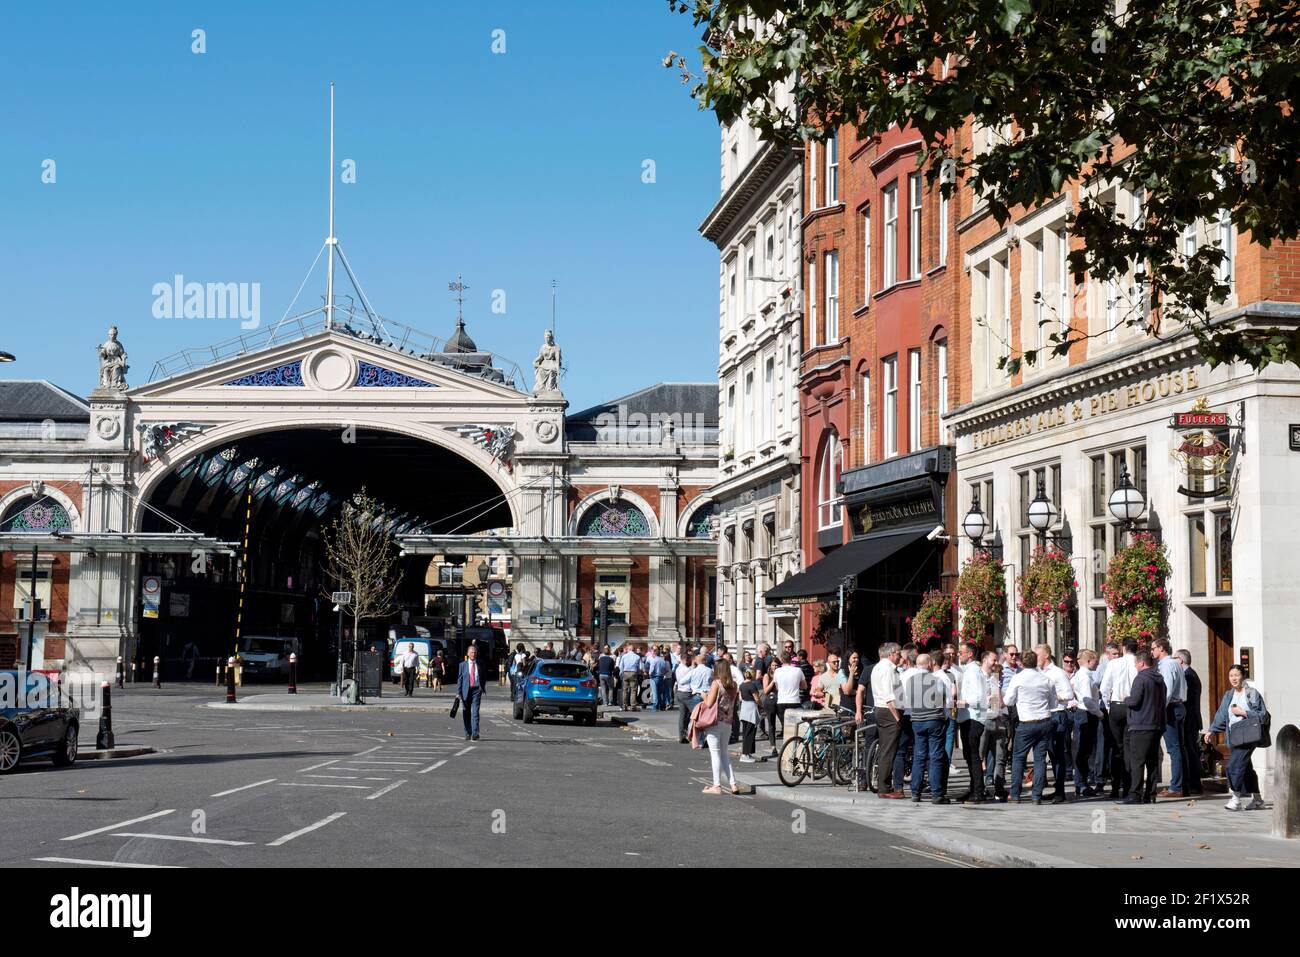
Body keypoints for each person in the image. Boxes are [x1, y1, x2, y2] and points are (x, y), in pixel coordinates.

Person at [1204, 664, 1268, 811]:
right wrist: (1211, 731)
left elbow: (1263, 716)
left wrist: (1244, 712)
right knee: (1246, 769)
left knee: (1233, 766)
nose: (1234, 678)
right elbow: (1221, 715)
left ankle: (1236, 799)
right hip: (1234, 737)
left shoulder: (1252, 693)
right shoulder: (1228, 695)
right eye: (1231, 675)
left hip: (1249, 737)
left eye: (1237, 675)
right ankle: (1258, 800)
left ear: (1243, 676)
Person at [900, 654, 952, 804]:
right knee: (935, 757)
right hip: (934, 720)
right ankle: (937, 794)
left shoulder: (909, 681)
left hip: (917, 721)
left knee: (919, 756)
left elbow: (904, 701)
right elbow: (947, 701)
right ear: (929, 664)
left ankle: (915, 792)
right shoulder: (937, 680)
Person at [1004, 654, 1056, 805]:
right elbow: (1053, 704)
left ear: (1022, 663)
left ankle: (1015, 794)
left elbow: (1008, 700)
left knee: (1019, 758)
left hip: (1026, 722)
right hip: (1044, 721)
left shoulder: (1018, 679)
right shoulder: (1045, 679)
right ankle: (1036, 795)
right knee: (1040, 760)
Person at [1120, 651, 1167, 804]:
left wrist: (1125, 698)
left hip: (1141, 725)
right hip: (1156, 724)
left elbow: (1134, 701)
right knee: (1152, 761)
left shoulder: (1140, 679)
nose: (1135, 666)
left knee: (1137, 761)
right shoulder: (1160, 679)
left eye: (1136, 663)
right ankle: (1150, 794)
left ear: (1141, 663)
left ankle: (1135, 794)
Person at [1100, 637, 1139, 800]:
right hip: (1133, 706)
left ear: (1123, 648)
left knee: (1117, 748)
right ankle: (1129, 787)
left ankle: (1116, 787)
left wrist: (1109, 707)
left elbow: (1104, 687)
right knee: (1130, 748)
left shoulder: (1114, 663)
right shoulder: (1139, 662)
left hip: (1116, 706)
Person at [695, 661, 741, 795]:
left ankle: (717, 785)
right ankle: (733, 784)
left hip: (715, 722)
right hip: (728, 722)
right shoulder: (734, 685)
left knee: (715, 753)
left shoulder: (716, 683)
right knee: (724, 753)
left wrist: (704, 695)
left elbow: (709, 704)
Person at [1036, 644, 1075, 804]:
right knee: (1046, 754)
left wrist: (1054, 696)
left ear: (1046, 656)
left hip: (1057, 715)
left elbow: (1069, 694)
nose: (1035, 657)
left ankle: (1060, 792)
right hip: (1044, 716)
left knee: (1058, 755)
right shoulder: (1037, 673)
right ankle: (1051, 789)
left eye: (1037, 655)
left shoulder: (1058, 673)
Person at [1152, 637, 1189, 798]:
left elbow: (1165, 692)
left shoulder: (1167, 665)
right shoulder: (1174, 663)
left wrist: (1158, 710)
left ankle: (1176, 787)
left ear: (1161, 648)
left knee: (1174, 749)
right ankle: (1181, 785)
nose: (1151, 651)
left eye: (1153, 648)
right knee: (1179, 748)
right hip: (1178, 706)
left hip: (1171, 709)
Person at [956, 645, 992, 804]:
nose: (959, 655)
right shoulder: (968, 670)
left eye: (961, 652)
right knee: (969, 756)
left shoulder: (974, 671)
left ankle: (978, 791)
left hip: (974, 718)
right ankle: (974, 789)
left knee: (973, 756)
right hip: (967, 717)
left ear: (970, 654)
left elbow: (978, 698)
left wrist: (961, 702)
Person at [870, 643, 905, 798]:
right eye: (898, 653)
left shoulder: (878, 667)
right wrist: (897, 717)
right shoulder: (887, 669)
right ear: (891, 653)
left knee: (886, 749)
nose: (900, 656)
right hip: (888, 710)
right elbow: (889, 695)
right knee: (889, 750)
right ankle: (884, 787)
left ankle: (884, 786)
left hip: (881, 709)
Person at [1068, 649, 1103, 798]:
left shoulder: (1082, 676)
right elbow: (1087, 700)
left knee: (1084, 750)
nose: (1097, 664)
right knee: (1083, 750)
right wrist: (1099, 713)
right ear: (1089, 661)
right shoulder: (1084, 677)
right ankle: (1081, 783)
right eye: (1095, 661)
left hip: (1085, 713)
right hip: (1086, 714)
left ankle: (1082, 783)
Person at [1176, 649, 1204, 795]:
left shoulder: (1188, 675)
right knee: (1189, 750)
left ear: (1180, 660)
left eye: (1175, 658)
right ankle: (1193, 782)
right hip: (1191, 719)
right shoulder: (1189, 674)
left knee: (1190, 751)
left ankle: (1194, 783)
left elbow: (1188, 701)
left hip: (1190, 720)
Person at [457, 644, 486, 741]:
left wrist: (482, 687)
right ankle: (467, 732)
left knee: (475, 712)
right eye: (472, 652)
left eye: (475, 652)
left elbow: (483, 676)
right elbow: (460, 679)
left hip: (476, 690)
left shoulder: (480, 663)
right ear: (468, 654)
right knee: (466, 712)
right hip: (466, 690)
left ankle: (475, 733)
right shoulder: (462, 665)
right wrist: (458, 692)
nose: (474, 654)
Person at [773, 651, 807, 735]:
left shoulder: (777, 671)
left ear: (781, 660)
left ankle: (787, 745)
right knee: (794, 727)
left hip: (781, 701)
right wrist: (795, 685)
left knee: (785, 728)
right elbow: (804, 686)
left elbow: (777, 687)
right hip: (794, 700)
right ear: (791, 659)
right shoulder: (798, 670)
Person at [738, 667, 762, 763]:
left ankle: (747, 753)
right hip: (751, 709)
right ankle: (745, 754)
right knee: (750, 732)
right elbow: (757, 698)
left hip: (744, 708)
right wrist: (761, 704)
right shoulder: (752, 685)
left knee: (745, 732)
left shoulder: (741, 685)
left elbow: (740, 698)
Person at [674, 651, 698, 744]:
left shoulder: (678, 668)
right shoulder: (687, 670)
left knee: (683, 716)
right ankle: (693, 734)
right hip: (687, 693)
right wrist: (693, 665)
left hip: (680, 692)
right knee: (695, 713)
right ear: (686, 660)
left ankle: (682, 735)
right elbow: (693, 673)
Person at [761, 659, 780, 757]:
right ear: (770, 666)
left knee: (783, 722)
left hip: (780, 701)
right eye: (773, 665)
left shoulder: (781, 674)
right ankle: (773, 747)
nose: (775, 667)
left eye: (777, 665)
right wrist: (773, 681)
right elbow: (765, 690)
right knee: (771, 725)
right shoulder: (766, 675)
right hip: (770, 702)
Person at [617, 643, 643, 711]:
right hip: (633, 673)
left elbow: (620, 666)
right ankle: (633, 706)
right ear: (633, 650)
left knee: (625, 690)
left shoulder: (624, 656)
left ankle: (624, 705)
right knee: (633, 690)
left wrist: (621, 673)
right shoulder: (637, 657)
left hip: (625, 672)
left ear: (629, 649)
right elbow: (640, 667)